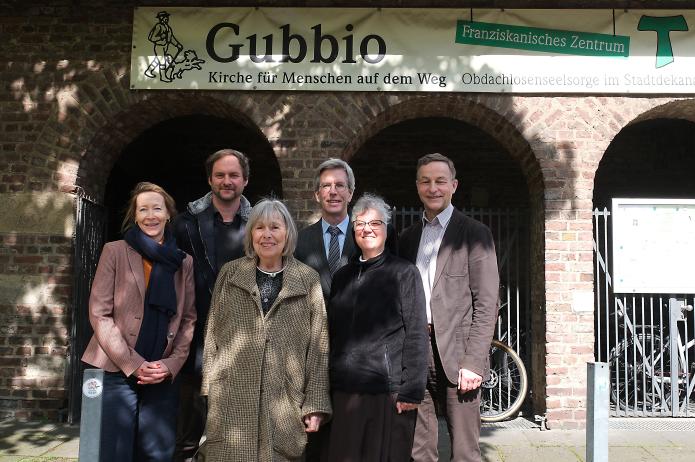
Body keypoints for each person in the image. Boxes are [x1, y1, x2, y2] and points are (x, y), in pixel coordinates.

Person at [201, 199, 331, 462]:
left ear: (288, 234)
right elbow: (211, 333)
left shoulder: (307, 280)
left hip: (283, 403)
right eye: (259, 227)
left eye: (275, 227)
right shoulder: (230, 274)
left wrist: (315, 403)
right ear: (251, 234)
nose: (267, 234)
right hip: (231, 400)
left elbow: (319, 346)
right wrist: (210, 388)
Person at [81, 182, 196, 462]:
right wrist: (133, 364)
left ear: (168, 214)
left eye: (157, 208)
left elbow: (188, 319)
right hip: (115, 371)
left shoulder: (184, 263)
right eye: (142, 209)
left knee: (156, 453)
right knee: (115, 453)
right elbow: (99, 312)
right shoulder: (115, 251)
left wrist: (169, 366)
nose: (150, 215)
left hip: (160, 374)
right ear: (135, 216)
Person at [399, 154, 499, 462]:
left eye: (440, 181)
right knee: (419, 450)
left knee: (465, 452)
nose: (433, 188)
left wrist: (474, 362)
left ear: (453, 186)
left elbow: (487, 303)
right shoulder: (407, 238)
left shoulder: (473, 233)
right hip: (416, 352)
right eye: (426, 181)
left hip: (458, 357)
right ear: (417, 186)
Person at [325, 193, 428, 462]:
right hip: (346, 389)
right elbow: (333, 334)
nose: (367, 229)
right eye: (360, 224)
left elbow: (417, 333)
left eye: (375, 223)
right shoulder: (341, 277)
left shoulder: (404, 273)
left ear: (386, 228)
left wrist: (412, 389)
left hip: (387, 391)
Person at [172, 148, 252, 461]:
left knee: (236, 432)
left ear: (245, 180)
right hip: (196, 340)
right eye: (220, 175)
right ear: (210, 179)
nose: (227, 181)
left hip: (242, 341)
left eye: (234, 175)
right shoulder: (185, 224)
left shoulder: (259, 224)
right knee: (188, 433)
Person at [295, 158, 357, 301]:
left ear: (350, 193)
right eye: (326, 186)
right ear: (317, 195)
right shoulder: (300, 241)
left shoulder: (364, 237)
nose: (333, 191)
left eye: (340, 185)